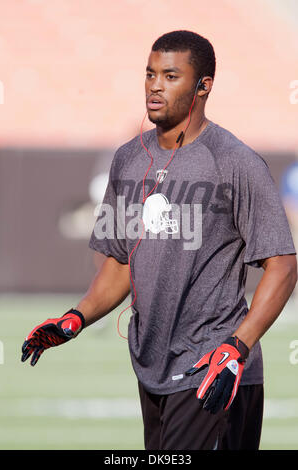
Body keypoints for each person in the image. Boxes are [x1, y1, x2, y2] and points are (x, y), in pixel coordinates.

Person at [21, 30, 297, 450]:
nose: (154, 85)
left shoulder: (235, 161)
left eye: (171, 76)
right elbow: (121, 262)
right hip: (152, 368)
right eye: (150, 74)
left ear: (203, 86)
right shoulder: (128, 159)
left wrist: (237, 346)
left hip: (213, 368)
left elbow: (282, 263)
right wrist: (76, 318)